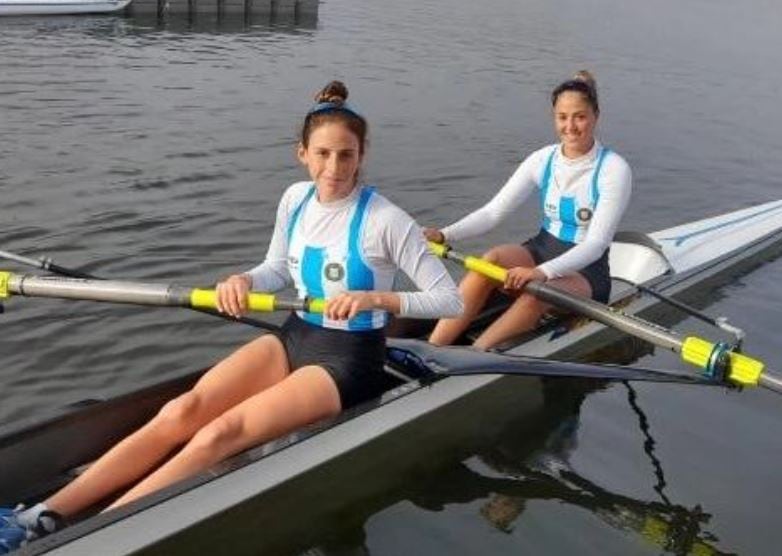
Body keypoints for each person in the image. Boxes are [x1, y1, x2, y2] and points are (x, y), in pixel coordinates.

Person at [0, 80, 463, 552]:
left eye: (346, 155)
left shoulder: (386, 220)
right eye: (323, 154)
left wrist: (377, 301)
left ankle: (87, 535)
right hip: (297, 335)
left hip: (349, 359)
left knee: (220, 434)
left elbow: (449, 300)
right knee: (181, 411)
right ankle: (41, 515)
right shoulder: (295, 198)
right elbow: (278, 268)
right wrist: (242, 280)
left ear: (362, 154)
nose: (334, 168)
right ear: (301, 153)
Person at [425, 71, 631, 350]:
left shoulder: (613, 169)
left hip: (587, 270)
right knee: (491, 260)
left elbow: (595, 245)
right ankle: (431, 348)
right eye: (562, 117)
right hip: (543, 248)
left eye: (579, 116)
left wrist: (543, 273)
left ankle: (475, 354)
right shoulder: (542, 159)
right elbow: (493, 213)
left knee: (537, 295)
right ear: (554, 117)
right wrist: (444, 234)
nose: (570, 126)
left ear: (595, 115)